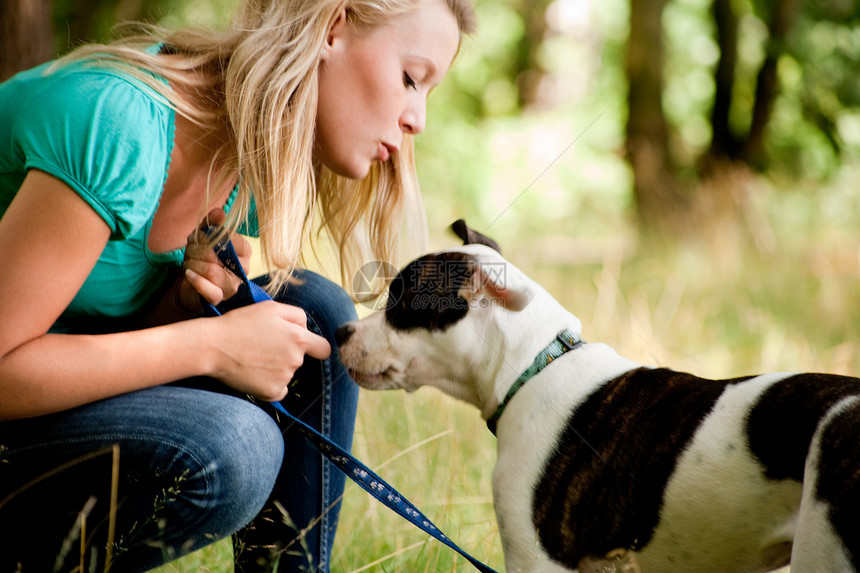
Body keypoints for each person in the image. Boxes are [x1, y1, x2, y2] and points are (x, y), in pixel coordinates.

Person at [0, 0, 476, 570]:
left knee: (316, 312)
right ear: (333, 28)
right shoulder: (118, 120)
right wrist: (209, 345)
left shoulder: (247, 160)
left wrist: (178, 303)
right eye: (409, 79)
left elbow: (86, 321)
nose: (417, 118)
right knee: (237, 445)